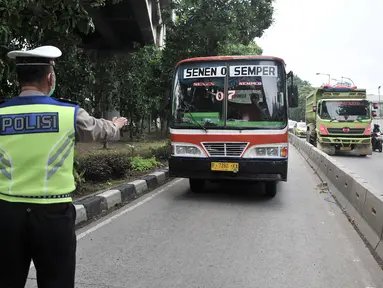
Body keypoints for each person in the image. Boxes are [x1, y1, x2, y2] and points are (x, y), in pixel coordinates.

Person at [0, 45, 128, 288]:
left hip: (6, 215)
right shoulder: (68, 113)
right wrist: (116, 124)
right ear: (50, 77)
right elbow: (100, 130)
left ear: (18, 77)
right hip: (53, 216)